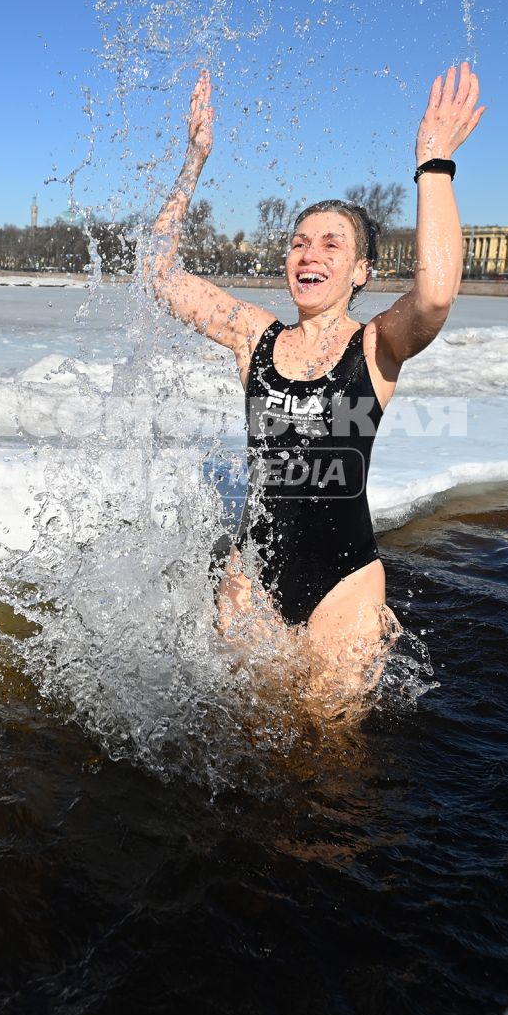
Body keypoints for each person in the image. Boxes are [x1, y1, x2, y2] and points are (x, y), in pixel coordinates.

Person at [146, 64, 485, 712]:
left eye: (332, 244)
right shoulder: (256, 337)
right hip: (253, 581)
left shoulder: (377, 345)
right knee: (247, 748)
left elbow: (437, 294)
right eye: (300, 243)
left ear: (360, 270)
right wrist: (193, 162)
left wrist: (434, 164)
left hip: (343, 587)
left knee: (329, 771)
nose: (310, 254)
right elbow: (160, 275)